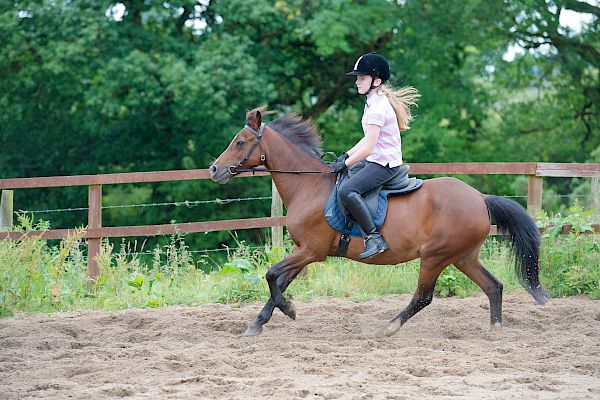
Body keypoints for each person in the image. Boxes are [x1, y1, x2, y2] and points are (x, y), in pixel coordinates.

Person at [330, 52, 420, 260]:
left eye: (361, 78)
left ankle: (374, 237)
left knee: (347, 191)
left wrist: (347, 162)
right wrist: (346, 157)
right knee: (348, 174)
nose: (357, 82)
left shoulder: (377, 108)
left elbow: (369, 147)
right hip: (376, 160)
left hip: (383, 165)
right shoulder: (373, 102)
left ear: (376, 81)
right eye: (357, 78)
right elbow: (366, 139)